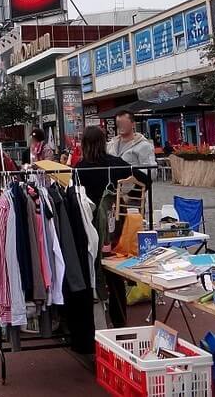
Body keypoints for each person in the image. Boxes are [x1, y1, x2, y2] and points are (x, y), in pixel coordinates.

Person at [74, 126, 150, 328]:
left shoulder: (79, 168)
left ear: (84, 144)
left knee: (90, 272)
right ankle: (119, 321)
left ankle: (94, 324)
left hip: (89, 226)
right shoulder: (115, 164)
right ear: (103, 142)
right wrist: (129, 199)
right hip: (114, 225)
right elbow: (145, 179)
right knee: (114, 274)